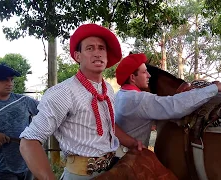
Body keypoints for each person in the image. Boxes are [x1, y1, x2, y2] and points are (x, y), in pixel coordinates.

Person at [19, 24, 144, 180]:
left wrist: (132, 142)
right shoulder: (63, 92)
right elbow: (29, 141)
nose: (97, 53)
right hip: (81, 175)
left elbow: (108, 125)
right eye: (90, 48)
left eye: (101, 48)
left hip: (112, 171)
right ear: (78, 56)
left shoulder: (107, 90)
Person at [114, 53, 221, 147]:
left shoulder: (119, 95)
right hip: (128, 159)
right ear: (132, 78)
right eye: (144, 72)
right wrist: (217, 87)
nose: (149, 75)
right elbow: (175, 106)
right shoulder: (139, 99)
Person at [0, 64, 38, 180]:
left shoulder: (24, 101)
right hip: (0, 169)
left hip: (28, 163)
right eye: (4, 80)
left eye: (11, 80)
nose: (10, 83)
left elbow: (48, 114)